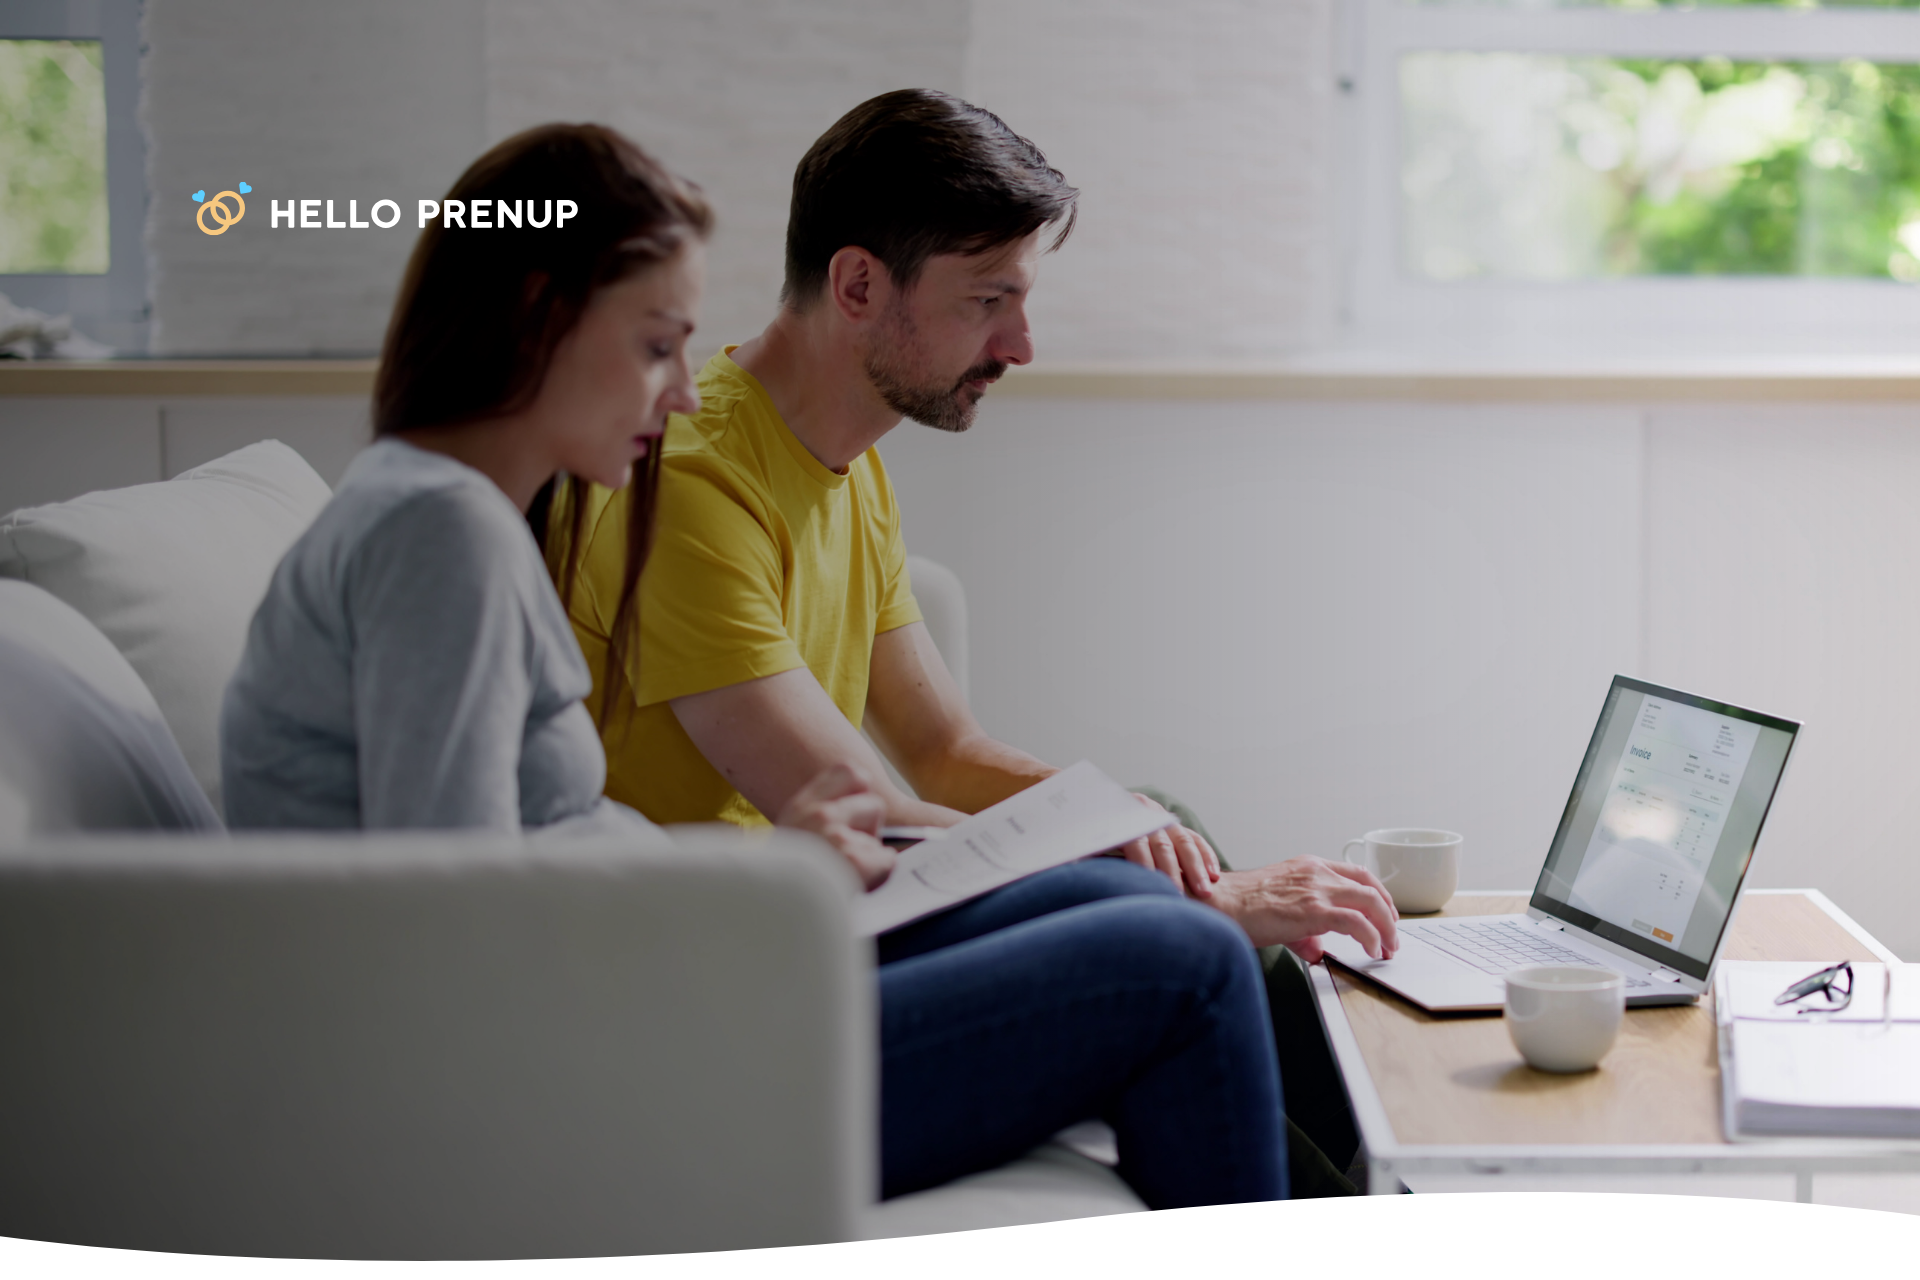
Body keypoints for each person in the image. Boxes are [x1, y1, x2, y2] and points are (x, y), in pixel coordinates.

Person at [220, 122, 1298, 1208]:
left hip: (654, 998)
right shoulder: (437, 535)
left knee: (1141, 885)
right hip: (595, 1078)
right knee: (1185, 959)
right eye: (655, 345)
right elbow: (449, 916)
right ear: (545, 319)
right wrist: (750, 886)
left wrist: (757, 880)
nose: (683, 388)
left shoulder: (455, 520)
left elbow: (503, 867)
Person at [560, 89, 1400, 1190]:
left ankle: (1364, 1183)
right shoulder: (698, 483)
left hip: (827, 929)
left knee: (1165, 825)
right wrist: (1218, 899)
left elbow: (945, 748)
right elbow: (861, 802)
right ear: (859, 285)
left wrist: (1156, 839)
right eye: (987, 300)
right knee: (1184, 923)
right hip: (739, 971)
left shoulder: (844, 459)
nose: (1022, 343)